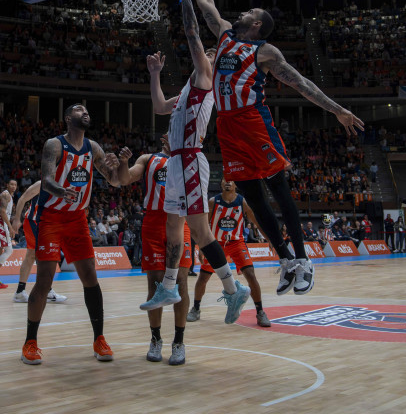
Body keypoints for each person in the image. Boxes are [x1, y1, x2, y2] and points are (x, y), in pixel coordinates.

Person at [188, 0, 363, 296]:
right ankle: (285, 261)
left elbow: (300, 83)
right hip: (227, 128)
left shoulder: (264, 51)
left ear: (256, 24)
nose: (243, 12)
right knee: (253, 199)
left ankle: (304, 260)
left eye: (251, 11)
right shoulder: (224, 35)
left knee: (280, 193)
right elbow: (208, 6)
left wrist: (337, 109)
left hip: (254, 124)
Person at [137, 0, 252, 330]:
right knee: (176, 227)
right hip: (177, 161)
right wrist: (155, 76)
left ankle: (232, 289)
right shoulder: (190, 87)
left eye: (215, 50)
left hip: (188, 159)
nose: (211, 52)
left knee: (200, 233)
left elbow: (190, 32)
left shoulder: (206, 74)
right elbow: (158, 107)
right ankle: (171, 287)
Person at [21, 104, 128, 365]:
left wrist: (122, 164)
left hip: (78, 219)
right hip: (52, 218)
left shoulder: (94, 148)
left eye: (87, 110)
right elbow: (46, 180)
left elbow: (116, 180)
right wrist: (61, 191)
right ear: (68, 118)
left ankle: (99, 339)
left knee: (90, 277)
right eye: (80, 110)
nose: (86, 112)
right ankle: (30, 342)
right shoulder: (54, 145)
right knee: (44, 281)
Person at [123, 134, 192, 365]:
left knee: (181, 281)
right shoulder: (148, 159)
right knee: (155, 283)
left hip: (180, 221)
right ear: (164, 138)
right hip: (153, 221)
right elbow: (126, 178)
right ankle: (155, 339)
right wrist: (123, 163)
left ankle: (179, 342)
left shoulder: (188, 160)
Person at [189, 179, 271, 328]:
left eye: (231, 180)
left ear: (236, 185)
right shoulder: (214, 201)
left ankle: (260, 312)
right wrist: (202, 247)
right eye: (224, 180)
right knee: (203, 277)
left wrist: (269, 239)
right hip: (216, 243)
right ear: (221, 184)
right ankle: (196, 308)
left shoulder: (242, 202)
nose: (228, 182)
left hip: (236, 243)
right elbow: (203, 226)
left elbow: (256, 222)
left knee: (251, 275)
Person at [9, 181, 66, 304]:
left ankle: (20, 292)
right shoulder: (42, 184)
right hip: (34, 222)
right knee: (46, 257)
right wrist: (17, 219)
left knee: (31, 256)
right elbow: (22, 199)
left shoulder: (62, 185)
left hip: (45, 224)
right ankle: (47, 291)